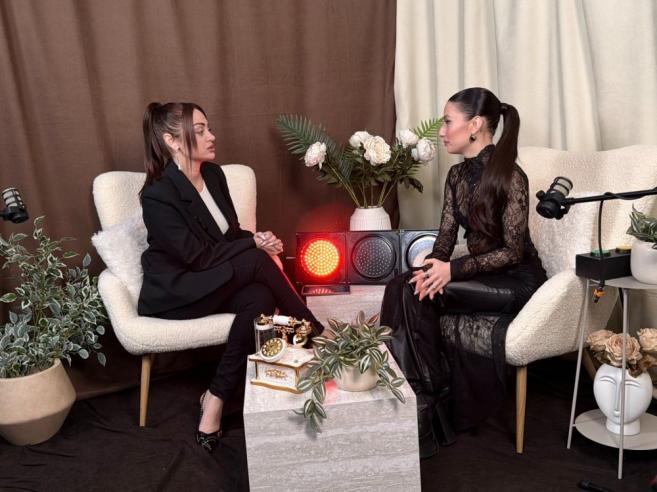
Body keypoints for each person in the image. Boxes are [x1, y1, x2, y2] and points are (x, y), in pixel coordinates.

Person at [138, 102, 324, 453]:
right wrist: (253, 246)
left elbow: (230, 234)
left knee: (259, 297)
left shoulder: (213, 175)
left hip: (213, 280)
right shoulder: (157, 195)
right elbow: (196, 258)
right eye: (201, 130)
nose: (212, 136)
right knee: (255, 261)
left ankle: (216, 397)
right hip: (178, 290)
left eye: (209, 128)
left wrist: (259, 238)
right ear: (172, 141)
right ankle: (315, 331)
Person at [380, 87, 547, 459]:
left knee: (412, 290)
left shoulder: (510, 176)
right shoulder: (456, 176)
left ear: (474, 125)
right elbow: (444, 239)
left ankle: (422, 406)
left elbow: (512, 252)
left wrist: (452, 270)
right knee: (403, 285)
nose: (441, 131)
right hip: (482, 276)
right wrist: (431, 267)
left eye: (447, 122)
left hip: (517, 282)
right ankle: (424, 399)